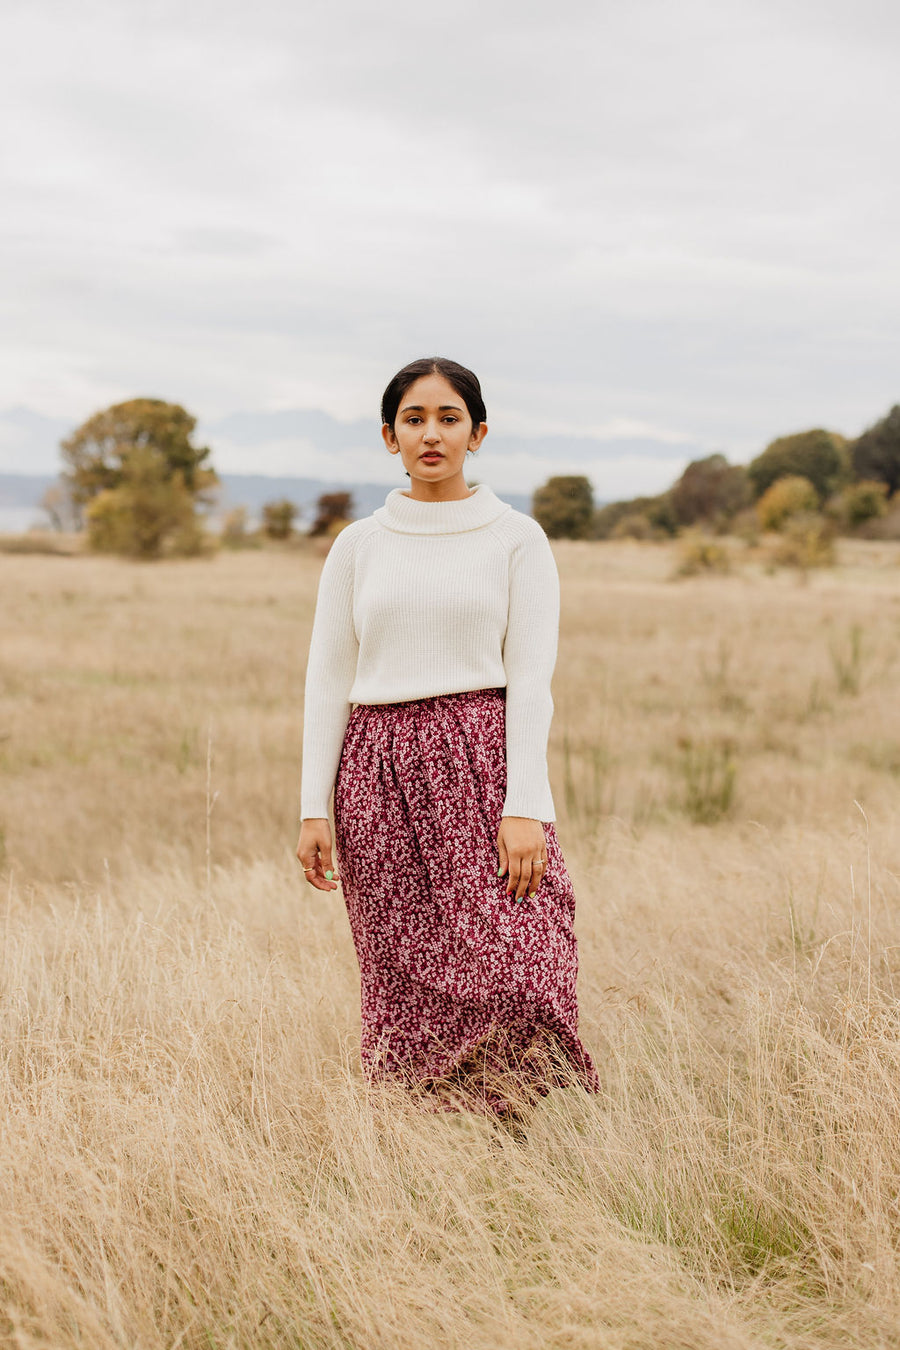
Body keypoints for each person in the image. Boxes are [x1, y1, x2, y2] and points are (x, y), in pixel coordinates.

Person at [296, 357, 597, 1131]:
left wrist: (524, 803)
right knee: (403, 977)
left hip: (481, 763)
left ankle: (524, 1123)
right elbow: (327, 680)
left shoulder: (516, 538)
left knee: (524, 964)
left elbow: (533, 679)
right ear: (390, 437)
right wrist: (313, 809)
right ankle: (428, 1144)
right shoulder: (359, 545)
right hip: (377, 771)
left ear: (478, 432)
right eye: (415, 419)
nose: (432, 433)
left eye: (449, 417)